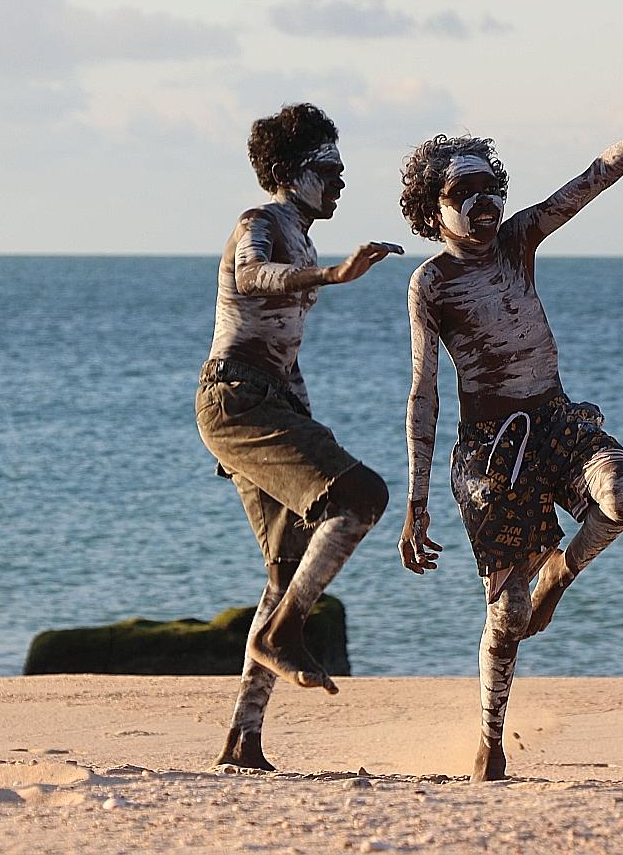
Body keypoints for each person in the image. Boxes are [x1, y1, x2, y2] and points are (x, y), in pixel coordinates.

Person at [398, 92, 623, 781]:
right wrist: (417, 501)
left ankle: (562, 573)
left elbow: (594, 178)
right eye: (465, 191)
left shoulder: (519, 241)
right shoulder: (431, 283)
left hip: (556, 420)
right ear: (433, 211)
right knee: (507, 613)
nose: (482, 202)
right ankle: (490, 738)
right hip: (490, 454)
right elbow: (424, 392)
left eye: (490, 187)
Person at [196, 102, 402, 770]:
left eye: (343, 171)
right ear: (289, 172)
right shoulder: (260, 223)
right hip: (236, 400)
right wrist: (333, 275)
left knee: (286, 570)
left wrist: (305, 421)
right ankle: (283, 636)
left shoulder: (302, 233)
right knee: (363, 495)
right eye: (328, 170)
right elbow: (252, 276)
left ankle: (243, 741)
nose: (340, 182)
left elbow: (286, 350)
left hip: (265, 403)